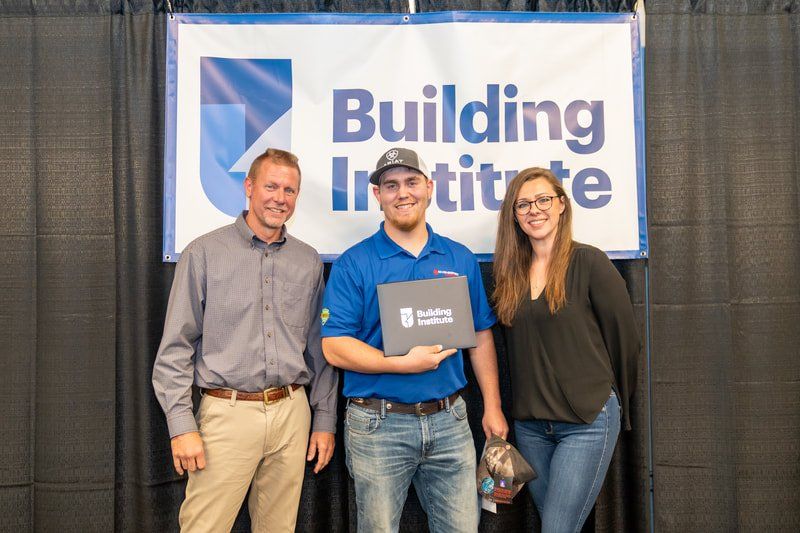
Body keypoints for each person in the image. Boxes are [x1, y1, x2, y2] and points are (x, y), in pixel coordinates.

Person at [320, 147, 508, 533]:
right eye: (391, 185)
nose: (402, 193)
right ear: (378, 195)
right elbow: (333, 345)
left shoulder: (459, 258)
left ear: (429, 188)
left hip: (451, 421)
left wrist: (492, 405)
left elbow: (480, 336)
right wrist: (399, 363)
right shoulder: (354, 263)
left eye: (411, 182)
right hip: (377, 424)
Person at [152, 148, 338, 532]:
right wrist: (181, 424)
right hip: (226, 415)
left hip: (291, 413)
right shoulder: (203, 253)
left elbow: (318, 349)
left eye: (289, 190)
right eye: (271, 186)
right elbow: (175, 348)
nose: (280, 198)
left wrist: (324, 418)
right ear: (249, 187)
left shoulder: (308, 261)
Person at [492, 167, 640, 533]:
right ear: (514, 215)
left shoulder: (589, 262)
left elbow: (625, 340)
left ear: (561, 205)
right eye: (523, 204)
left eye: (543, 200)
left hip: (586, 422)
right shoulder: (510, 274)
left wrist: (612, 401)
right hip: (531, 429)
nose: (534, 210)